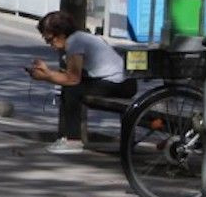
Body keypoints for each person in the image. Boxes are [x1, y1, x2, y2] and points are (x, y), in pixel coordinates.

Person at [27, 10, 135, 155]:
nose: (50, 44)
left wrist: (45, 76)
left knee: (72, 89)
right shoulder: (78, 38)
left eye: (50, 39)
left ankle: (73, 140)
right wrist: (48, 72)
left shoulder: (74, 43)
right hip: (118, 81)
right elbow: (73, 74)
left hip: (121, 84)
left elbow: (72, 79)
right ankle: (70, 138)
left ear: (61, 34)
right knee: (72, 87)